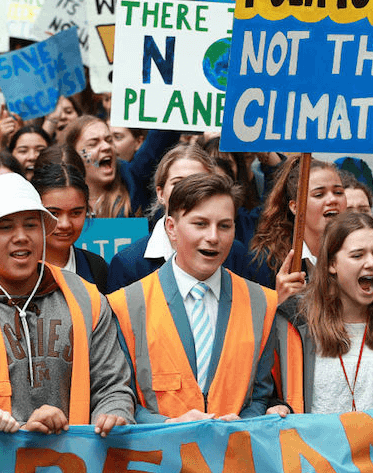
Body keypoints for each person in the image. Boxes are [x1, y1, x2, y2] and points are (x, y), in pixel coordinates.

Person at [0, 173, 134, 436]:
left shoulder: (88, 297)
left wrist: (114, 414)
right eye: (5, 227)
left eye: (31, 225)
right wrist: (25, 431)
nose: (22, 236)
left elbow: (112, 384)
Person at [109, 173, 277, 423]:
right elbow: (120, 397)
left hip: (234, 453)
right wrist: (167, 425)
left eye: (224, 225)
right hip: (158, 455)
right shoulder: (126, 304)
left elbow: (262, 394)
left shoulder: (261, 302)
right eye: (200, 224)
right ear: (171, 228)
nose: (213, 237)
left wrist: (245, 420)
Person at [269, 212, 373, 415]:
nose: (371, 263)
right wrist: (274, 406)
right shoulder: (295, 322)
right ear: (332, 264)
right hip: (309, 445)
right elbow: (263, 392)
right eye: (357, 255)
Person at [107, 144, 254, 292]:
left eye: (197, 181)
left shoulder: (235, 254)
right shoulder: (129, 263)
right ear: (160, 193)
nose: (188, 191)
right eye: (178, 183)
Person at [250, 156, 348, 302]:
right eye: (319, 194)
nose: (332, 200)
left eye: (338, 192)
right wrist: (278, 302)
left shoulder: (360, 253)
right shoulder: (267, 263)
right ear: (294, 207)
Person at [63, 116, 178, 218]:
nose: (106, 146)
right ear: (74, 155)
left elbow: (159, 141)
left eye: (109, 140)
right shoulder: (59, 194)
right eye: (93, 144)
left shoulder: (133, 181)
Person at [31, 154, 109, 293]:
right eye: (54, 213)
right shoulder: (18, 267)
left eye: (76, 213)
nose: (65, 224)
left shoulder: (96, 268)